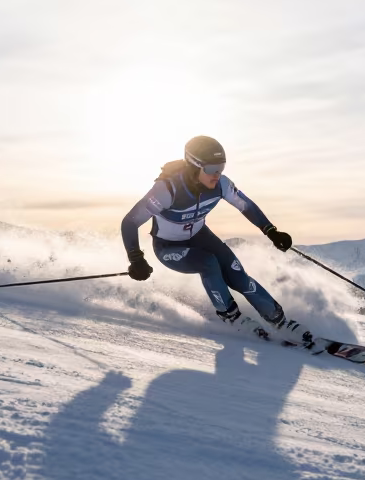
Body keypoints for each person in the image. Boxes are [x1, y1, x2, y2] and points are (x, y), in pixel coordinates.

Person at [121, 136, 294, 338]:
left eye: (221, 168)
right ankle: (231, 317)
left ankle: (279, 320)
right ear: (194, 167)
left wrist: (270, 231)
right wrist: (136, 258)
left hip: (201, 237)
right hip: (168, 247)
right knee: (209, 263)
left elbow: (245, 205)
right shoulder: (168, 189)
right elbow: (130, 221)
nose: (217, 174)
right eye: (211, 169)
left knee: (239, 277)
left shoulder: (221, 184)